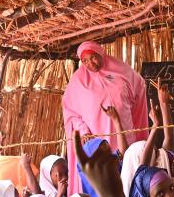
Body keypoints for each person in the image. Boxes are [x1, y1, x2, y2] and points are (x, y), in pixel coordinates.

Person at [62, 41, 149, 194]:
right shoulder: (78, 81)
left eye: (93, 57)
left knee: (128, 181)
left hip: (124, 137)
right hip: (98, 144)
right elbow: (70, 110)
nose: (90, 63)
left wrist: (127, 110)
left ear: (101, 53)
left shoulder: (122, 71)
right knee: (104, 184)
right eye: (85, 61)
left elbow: (140, 86)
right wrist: (83, 131)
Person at [121, 79, 174, 197]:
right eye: (154, 153)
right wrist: (155, 125)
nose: (158, 155)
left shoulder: (158, 172)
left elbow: (168, 138)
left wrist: (164, 104)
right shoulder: (141, 185)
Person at [129, 99, 174, 197]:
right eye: (160, 194)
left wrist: (164, 104)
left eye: (172, 188)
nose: (170, 196)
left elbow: (142, 167)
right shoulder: (146, 181)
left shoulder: (157, 177)